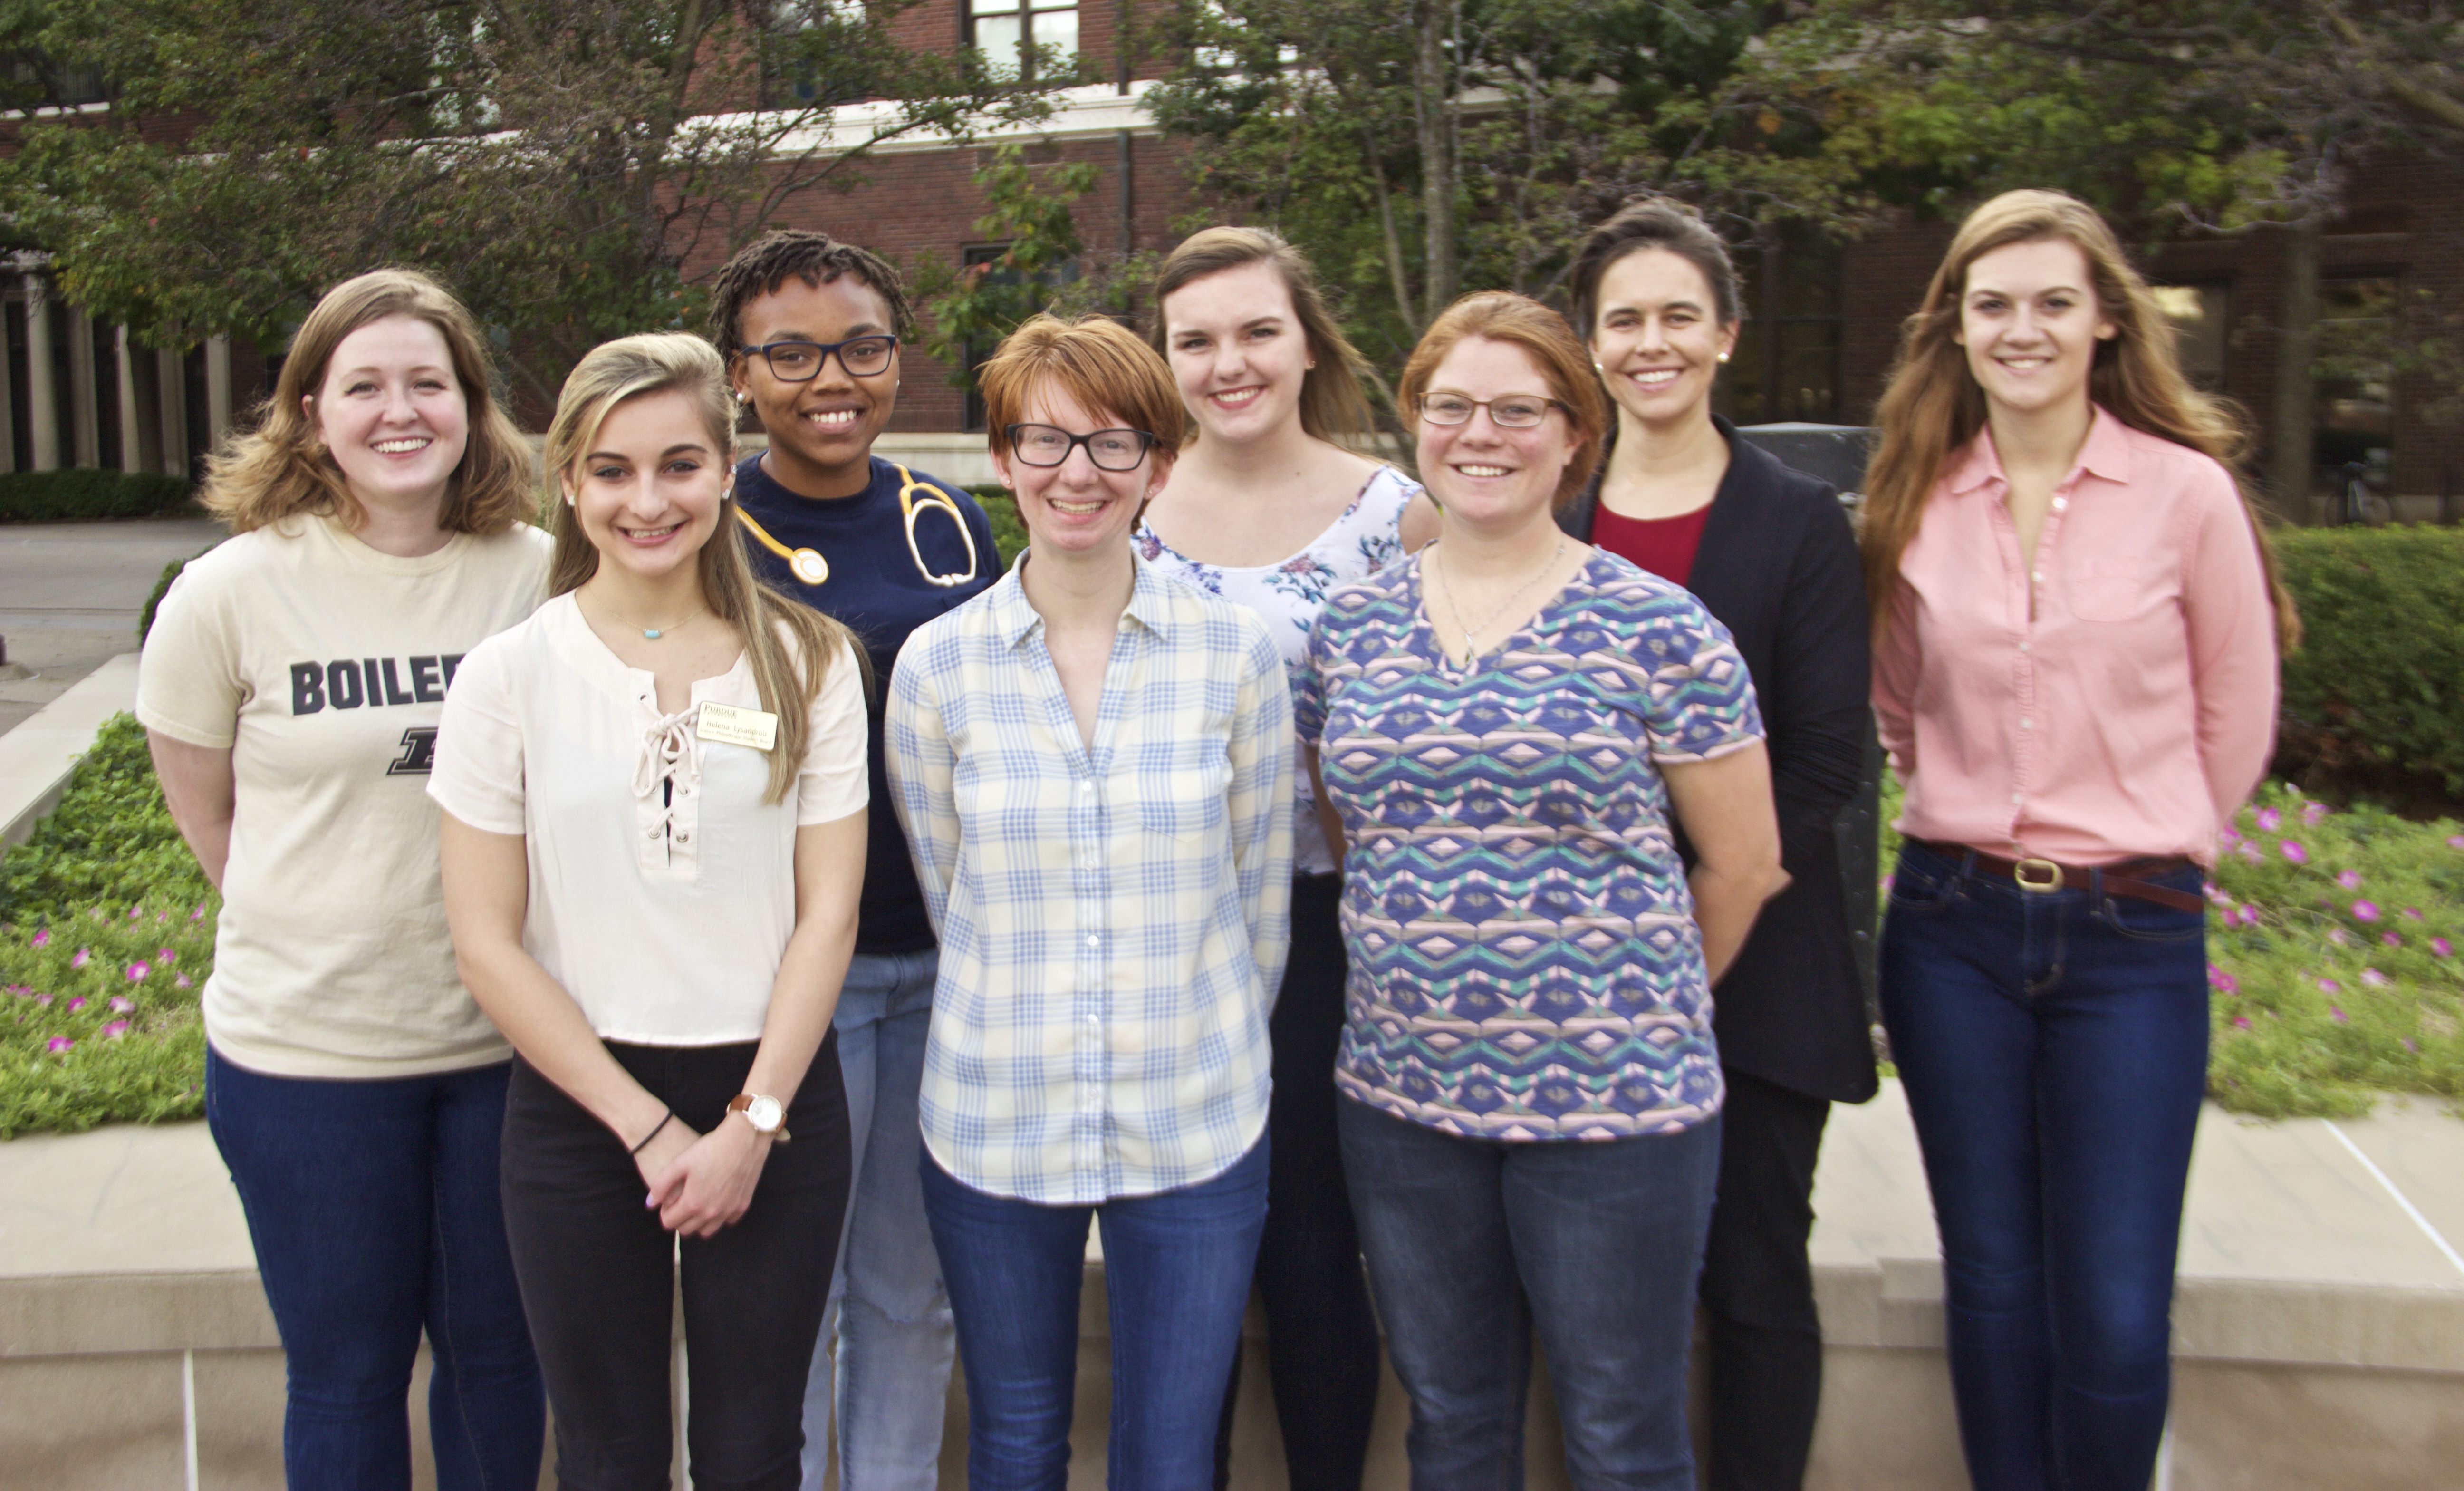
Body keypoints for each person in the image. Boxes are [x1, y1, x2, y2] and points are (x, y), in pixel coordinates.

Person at [1296, 291, 1781, 1491]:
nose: (1481, 434)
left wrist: (1626, 1001)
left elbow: (1744, 862)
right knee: (1452, 1424)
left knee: (1621, 1436)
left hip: (1615, 1110)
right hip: (1402, 1099)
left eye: (1520, 410)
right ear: (1415, 424)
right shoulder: (1352, 630)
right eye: (1450, 406)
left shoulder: (1662, 628)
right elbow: (1354, 825)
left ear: (1576, 435)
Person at [1862, 189, 2290, 1491]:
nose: (2023, 328)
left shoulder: (2187, 495)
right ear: (1959, 328)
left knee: (2111, 1303)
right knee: (1991, 1284)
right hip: (1951, 932)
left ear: (2107, 320)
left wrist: (2155, 834)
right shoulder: (1917, 499)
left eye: (2053, 302)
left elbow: (2238, 709)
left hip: (2132, 934)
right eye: (1993, 305)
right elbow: (1899, 705)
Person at [431, 332, 868, 1488]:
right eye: (613, 469)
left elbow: (829, 915)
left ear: (729, 470)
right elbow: (485, 940)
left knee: (750, 1448)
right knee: (610, 1454)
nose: (648, 499)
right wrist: (645, 1126)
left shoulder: (810, 662)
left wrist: (750, 1122)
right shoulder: (507, 677)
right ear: (567, 482)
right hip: (582, 1106)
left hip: (771, 1100)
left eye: (679, 464)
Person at [138, 268, 549, 1490]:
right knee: (348, 1373)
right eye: (363, 385)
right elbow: (211, 825)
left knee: (498, 1358)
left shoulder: (539, 573)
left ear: (472, 405)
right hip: (305, 1065)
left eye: (429, 381)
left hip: (505, 1054)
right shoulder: (229, 592)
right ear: (310, 411)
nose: (399, 409)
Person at [886, 313, 1294, 1491]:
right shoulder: (939, 666)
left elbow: (1258, 897)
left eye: (1114, 444)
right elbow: (949, 881)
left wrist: (1203, 1036)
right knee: (1016, 1440)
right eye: (1046, 441)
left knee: (1169, 1452)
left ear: (1161, 464)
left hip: (1196, 1116)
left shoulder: (1234, 655)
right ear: (1004, 460)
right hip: (995, 1113)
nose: (1079, 473)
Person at [1556, 199, 1876, 1491]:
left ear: (1727, 335)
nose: (1652, 343)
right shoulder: (1552, 511)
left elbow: (1821, 767)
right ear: (1590, 343)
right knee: (1592, 1300)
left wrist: (1696, 924)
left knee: (1752, 1278)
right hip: (1564, 979)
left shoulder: (1796, 522)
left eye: (1678, 316)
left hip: (1755, 967)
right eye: (1624, 319)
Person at [1134, 225, 1438, 1491]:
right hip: (1170, 933)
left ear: (1308, 339)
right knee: (1183, 1254)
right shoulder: (1128, 508)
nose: (1229, 363)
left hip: (1334, 931)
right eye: (1195, 341)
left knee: (1315, 1245)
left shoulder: (1395, 519)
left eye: (1257, 330)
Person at [710, 228, 992, 1491]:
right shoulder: (706, 529)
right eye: (793, 351)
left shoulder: (954, 523)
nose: (835, 377)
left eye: (864, 346)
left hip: (942, 969)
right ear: (739, 373)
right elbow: (674, 729)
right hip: (788, 985)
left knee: (907, 1292)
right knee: (794, 1299)